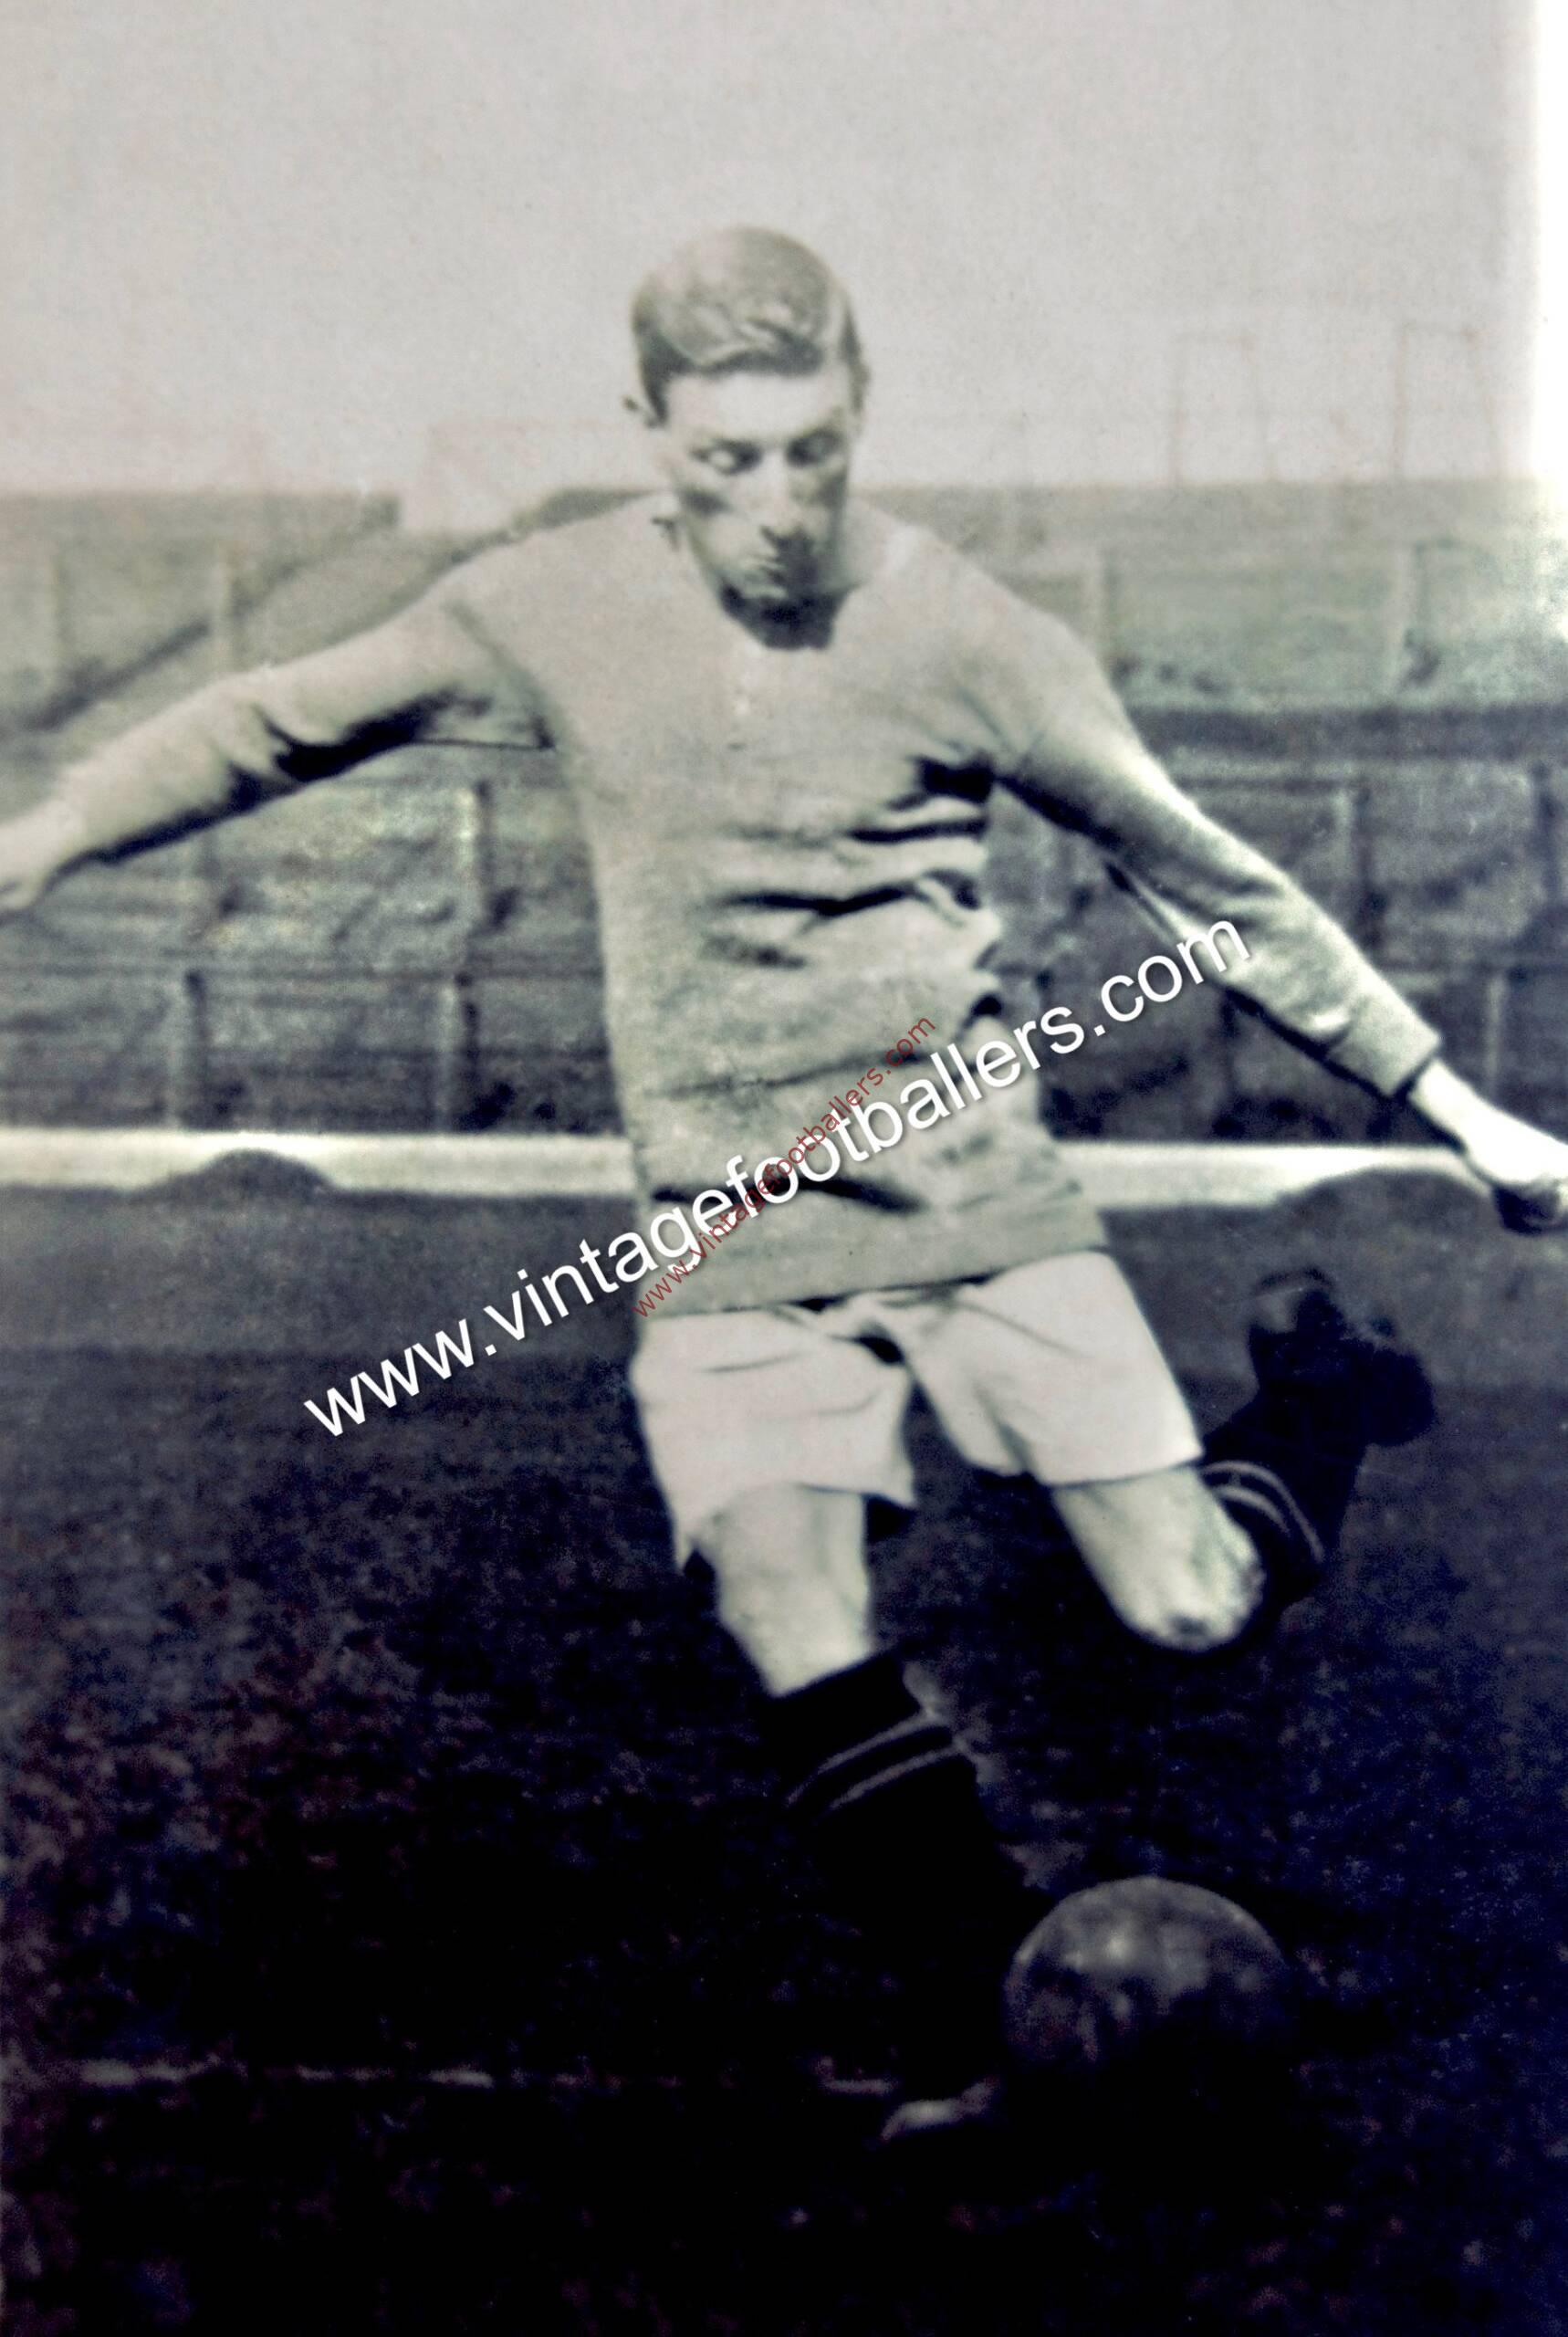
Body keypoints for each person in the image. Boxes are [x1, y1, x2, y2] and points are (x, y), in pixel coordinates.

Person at [3, 226, 1564, 2129]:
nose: (773, 504)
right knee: (786, 1608)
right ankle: (992, 2029)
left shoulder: (973, 633)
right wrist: (43, 836)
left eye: (811, 450)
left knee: (1187, 1610)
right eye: (724, 458)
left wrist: (1450, 1101)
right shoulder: (548, 602)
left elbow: (1209, 885)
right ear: (645, 429)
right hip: (728, 1225)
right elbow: (270, 720)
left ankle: (1315, 1392)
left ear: (860, 412)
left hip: (971, 1199)